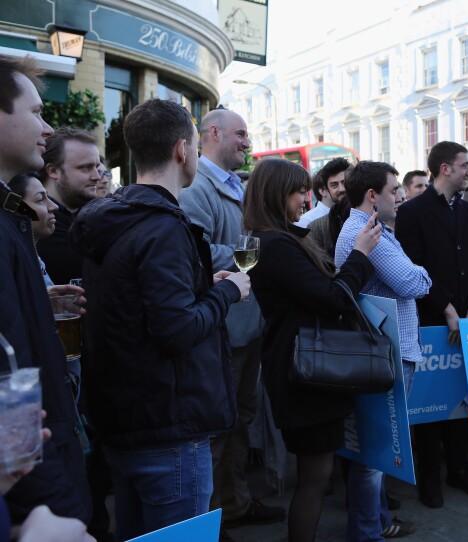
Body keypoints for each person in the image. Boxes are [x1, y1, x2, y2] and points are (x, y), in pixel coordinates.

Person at [70, 98, 250, 540]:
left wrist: (207, 288)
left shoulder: (114, 218)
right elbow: (177, 329)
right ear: (181, 150)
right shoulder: (163, 225)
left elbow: (144, 311)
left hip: (124, 422)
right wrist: (228, 291)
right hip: (168, 428)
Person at [243, 158, 381, 542]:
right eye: (298, 191)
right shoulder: (274, 244)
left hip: (307, 366)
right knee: (314, 478)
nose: (305, 198)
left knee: (316, 476)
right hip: (304, 372)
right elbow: (332, 298)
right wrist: (360, 254)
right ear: (276, 194)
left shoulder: (279, 237)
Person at [177, 108, 284, 535]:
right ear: (213, 133)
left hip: (247, 325)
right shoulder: (195, 188)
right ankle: (215, 517)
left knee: (241, 420)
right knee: (220, 428)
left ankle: (236, 504)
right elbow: (196, 255)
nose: (247, 142)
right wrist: (257, 257)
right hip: (222, 329)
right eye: (241, 134)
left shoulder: (236, 186)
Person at [0, 53, 91, 527]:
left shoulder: (9, 216)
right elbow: (10, 381)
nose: (48, 127)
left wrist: (37, 302)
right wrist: (55, 506)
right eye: (36, 112)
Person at [395, 141, 468, 508]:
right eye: (465, 164)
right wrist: (449, 309)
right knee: (430, 403)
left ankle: (460, 467)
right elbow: (413, 268)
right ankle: (430, 477)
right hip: (432, 322)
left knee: (462, 401)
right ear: (444, 169)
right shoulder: (413, 213)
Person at [335, 160, 430, 540]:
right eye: (394, 190)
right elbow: (412, 281)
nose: (401, 196)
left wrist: (416, 272)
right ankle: (366, 533)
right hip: (384, 354)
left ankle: (376, 523)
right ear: (372, 196)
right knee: (374, 455)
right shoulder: (366, 229)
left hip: (387, 350)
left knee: (374, 453)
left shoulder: (372, 229)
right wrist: (423, 273)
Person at [36, 127, 101, 285]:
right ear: (53, 171)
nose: (97, 177)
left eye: (97, 167)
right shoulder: (38, 224)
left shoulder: (83, 217)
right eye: (85, 167)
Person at [295, 157, 349, 227]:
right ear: (323, 190)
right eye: (334, 185)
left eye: (345, 183)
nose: (342, 189)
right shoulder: (306, 221)